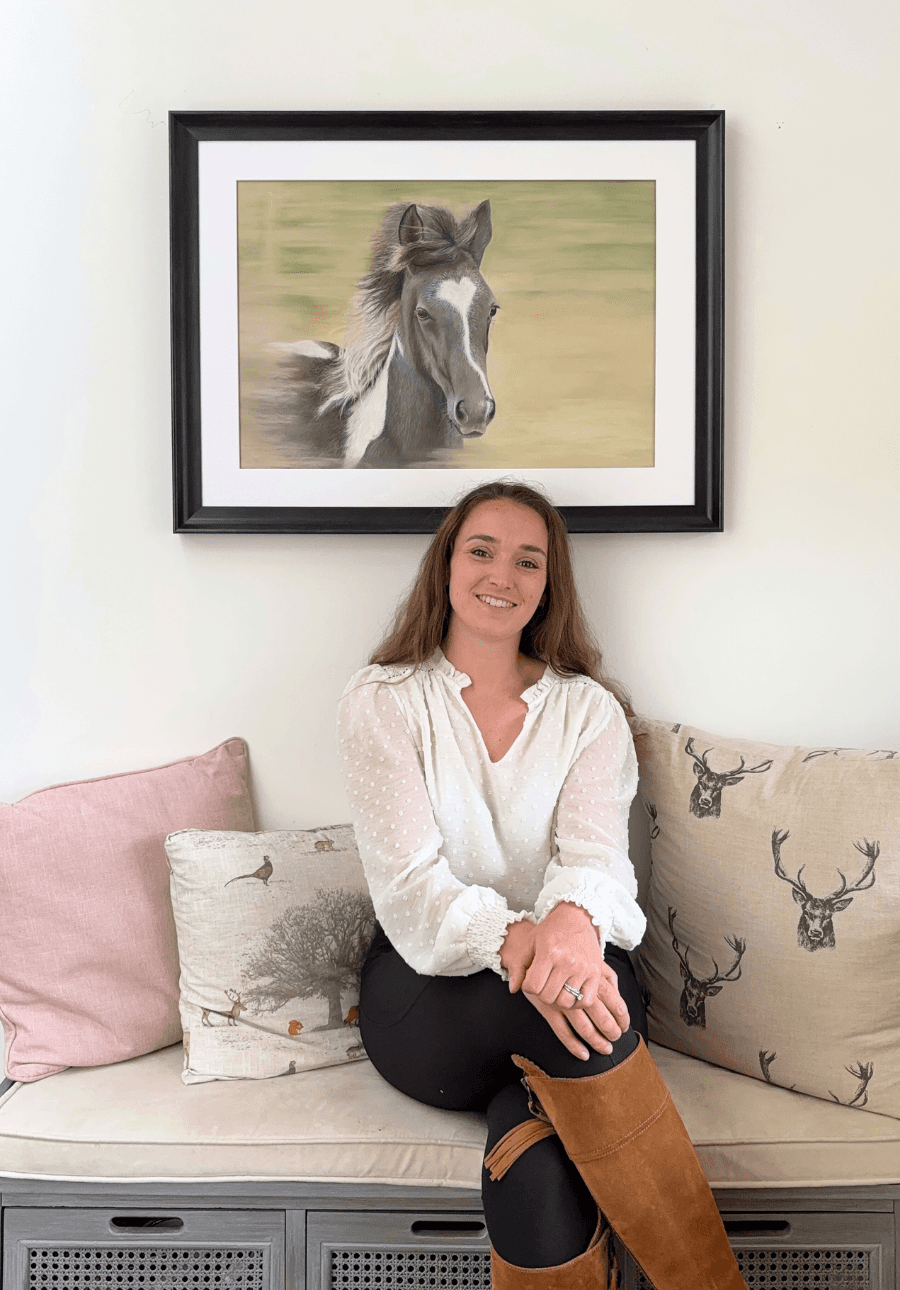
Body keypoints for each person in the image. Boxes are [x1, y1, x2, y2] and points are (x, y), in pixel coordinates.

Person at [337, 481, 747, 1290]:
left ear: (549, 584)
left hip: (573, 957)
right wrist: (522, 938)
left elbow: (595, 860)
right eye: (481, 550)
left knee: (533, 1148)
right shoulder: (382, 700)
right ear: (446, 565)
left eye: (530, 560)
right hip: (429, 989)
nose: (504, 574)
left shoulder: (587, 711)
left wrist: (565, 924)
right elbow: (411, 883)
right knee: (568, 1013)